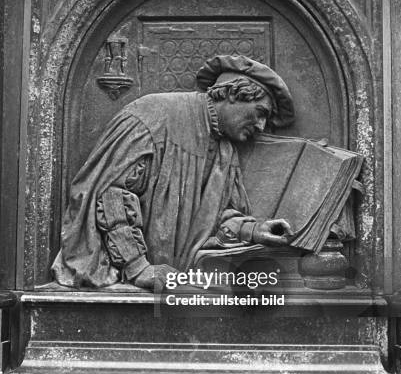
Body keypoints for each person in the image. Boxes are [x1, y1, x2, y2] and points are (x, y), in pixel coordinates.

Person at [52, 55, 295, 290]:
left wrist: (254, 230)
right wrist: (138, 268)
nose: (261, 126)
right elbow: (110, 195)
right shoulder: (152, 115)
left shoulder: (225, 150)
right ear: (233, 94)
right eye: (260, 112)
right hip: (137, 285)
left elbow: (216, 217)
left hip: (182, 290)